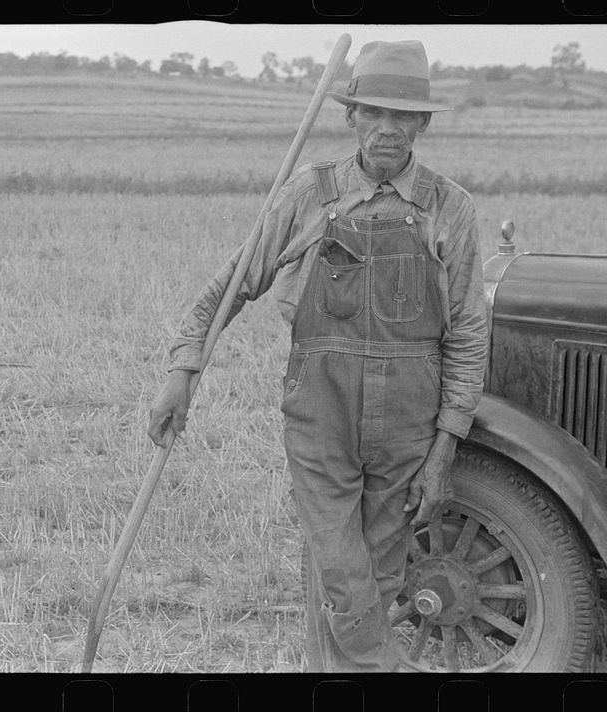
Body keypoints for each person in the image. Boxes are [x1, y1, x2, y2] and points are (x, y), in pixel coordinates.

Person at [147, 39, 489, 672]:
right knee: (341, 565)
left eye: (402, 116)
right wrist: (182, 369)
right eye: (373, 113)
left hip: (410, 417)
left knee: (383, 572)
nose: (387, 129)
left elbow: (468, 331)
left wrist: (445, 446)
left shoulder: (451, 208)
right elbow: (230, 287)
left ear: (423, 123)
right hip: (321, 409)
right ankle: (378, 668)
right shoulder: (310, 193)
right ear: (351, 116)